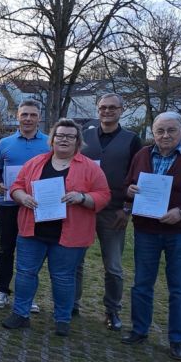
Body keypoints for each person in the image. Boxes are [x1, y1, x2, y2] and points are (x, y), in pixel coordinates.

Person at [121, 111, 181, 361]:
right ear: (152, 133)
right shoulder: (142, 155)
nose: (165, 135)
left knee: (179, 288)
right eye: (160, 131)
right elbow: (127, 185)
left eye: (171, 130)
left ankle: (176, 339)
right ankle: (139, 330)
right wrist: (129, 191)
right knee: (142, 284)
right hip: (146, 231)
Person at [3, 119, 110, 336]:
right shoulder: (36, 162)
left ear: (77, 141)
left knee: (62, 277)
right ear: (52, 139)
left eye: (69, 136)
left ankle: (62, 318)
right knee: (25, 273)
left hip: (69, 233)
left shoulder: (89, 167)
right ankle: (20, 313)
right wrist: (22, 197)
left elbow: (104, 195)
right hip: (33, 230)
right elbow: (17, 185)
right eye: (60, 135)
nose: (64, 140)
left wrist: (82, 197)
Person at [74, 93, 142, 330]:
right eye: (103, 107)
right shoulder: (84, 134)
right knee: (76, 261)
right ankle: (72, 303)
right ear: (97, 109)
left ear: (122, 110)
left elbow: (137, 177)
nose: (107, 111)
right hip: (83, 206)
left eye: (113, 108)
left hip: (114, 210)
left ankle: (112, 311)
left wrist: (127, 208)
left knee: (113, 266)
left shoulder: (131, 139)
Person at [0, 100, 50, 313]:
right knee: (5, 248)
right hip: (8, 204)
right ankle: (3, 291)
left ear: (39, 118)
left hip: (36, 205)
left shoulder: (49, 144)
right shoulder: (5, 144)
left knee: (32, 252)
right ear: (17, 116)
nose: (28, 119)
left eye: (33, 115)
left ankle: (27, 295)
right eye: (24, 114)